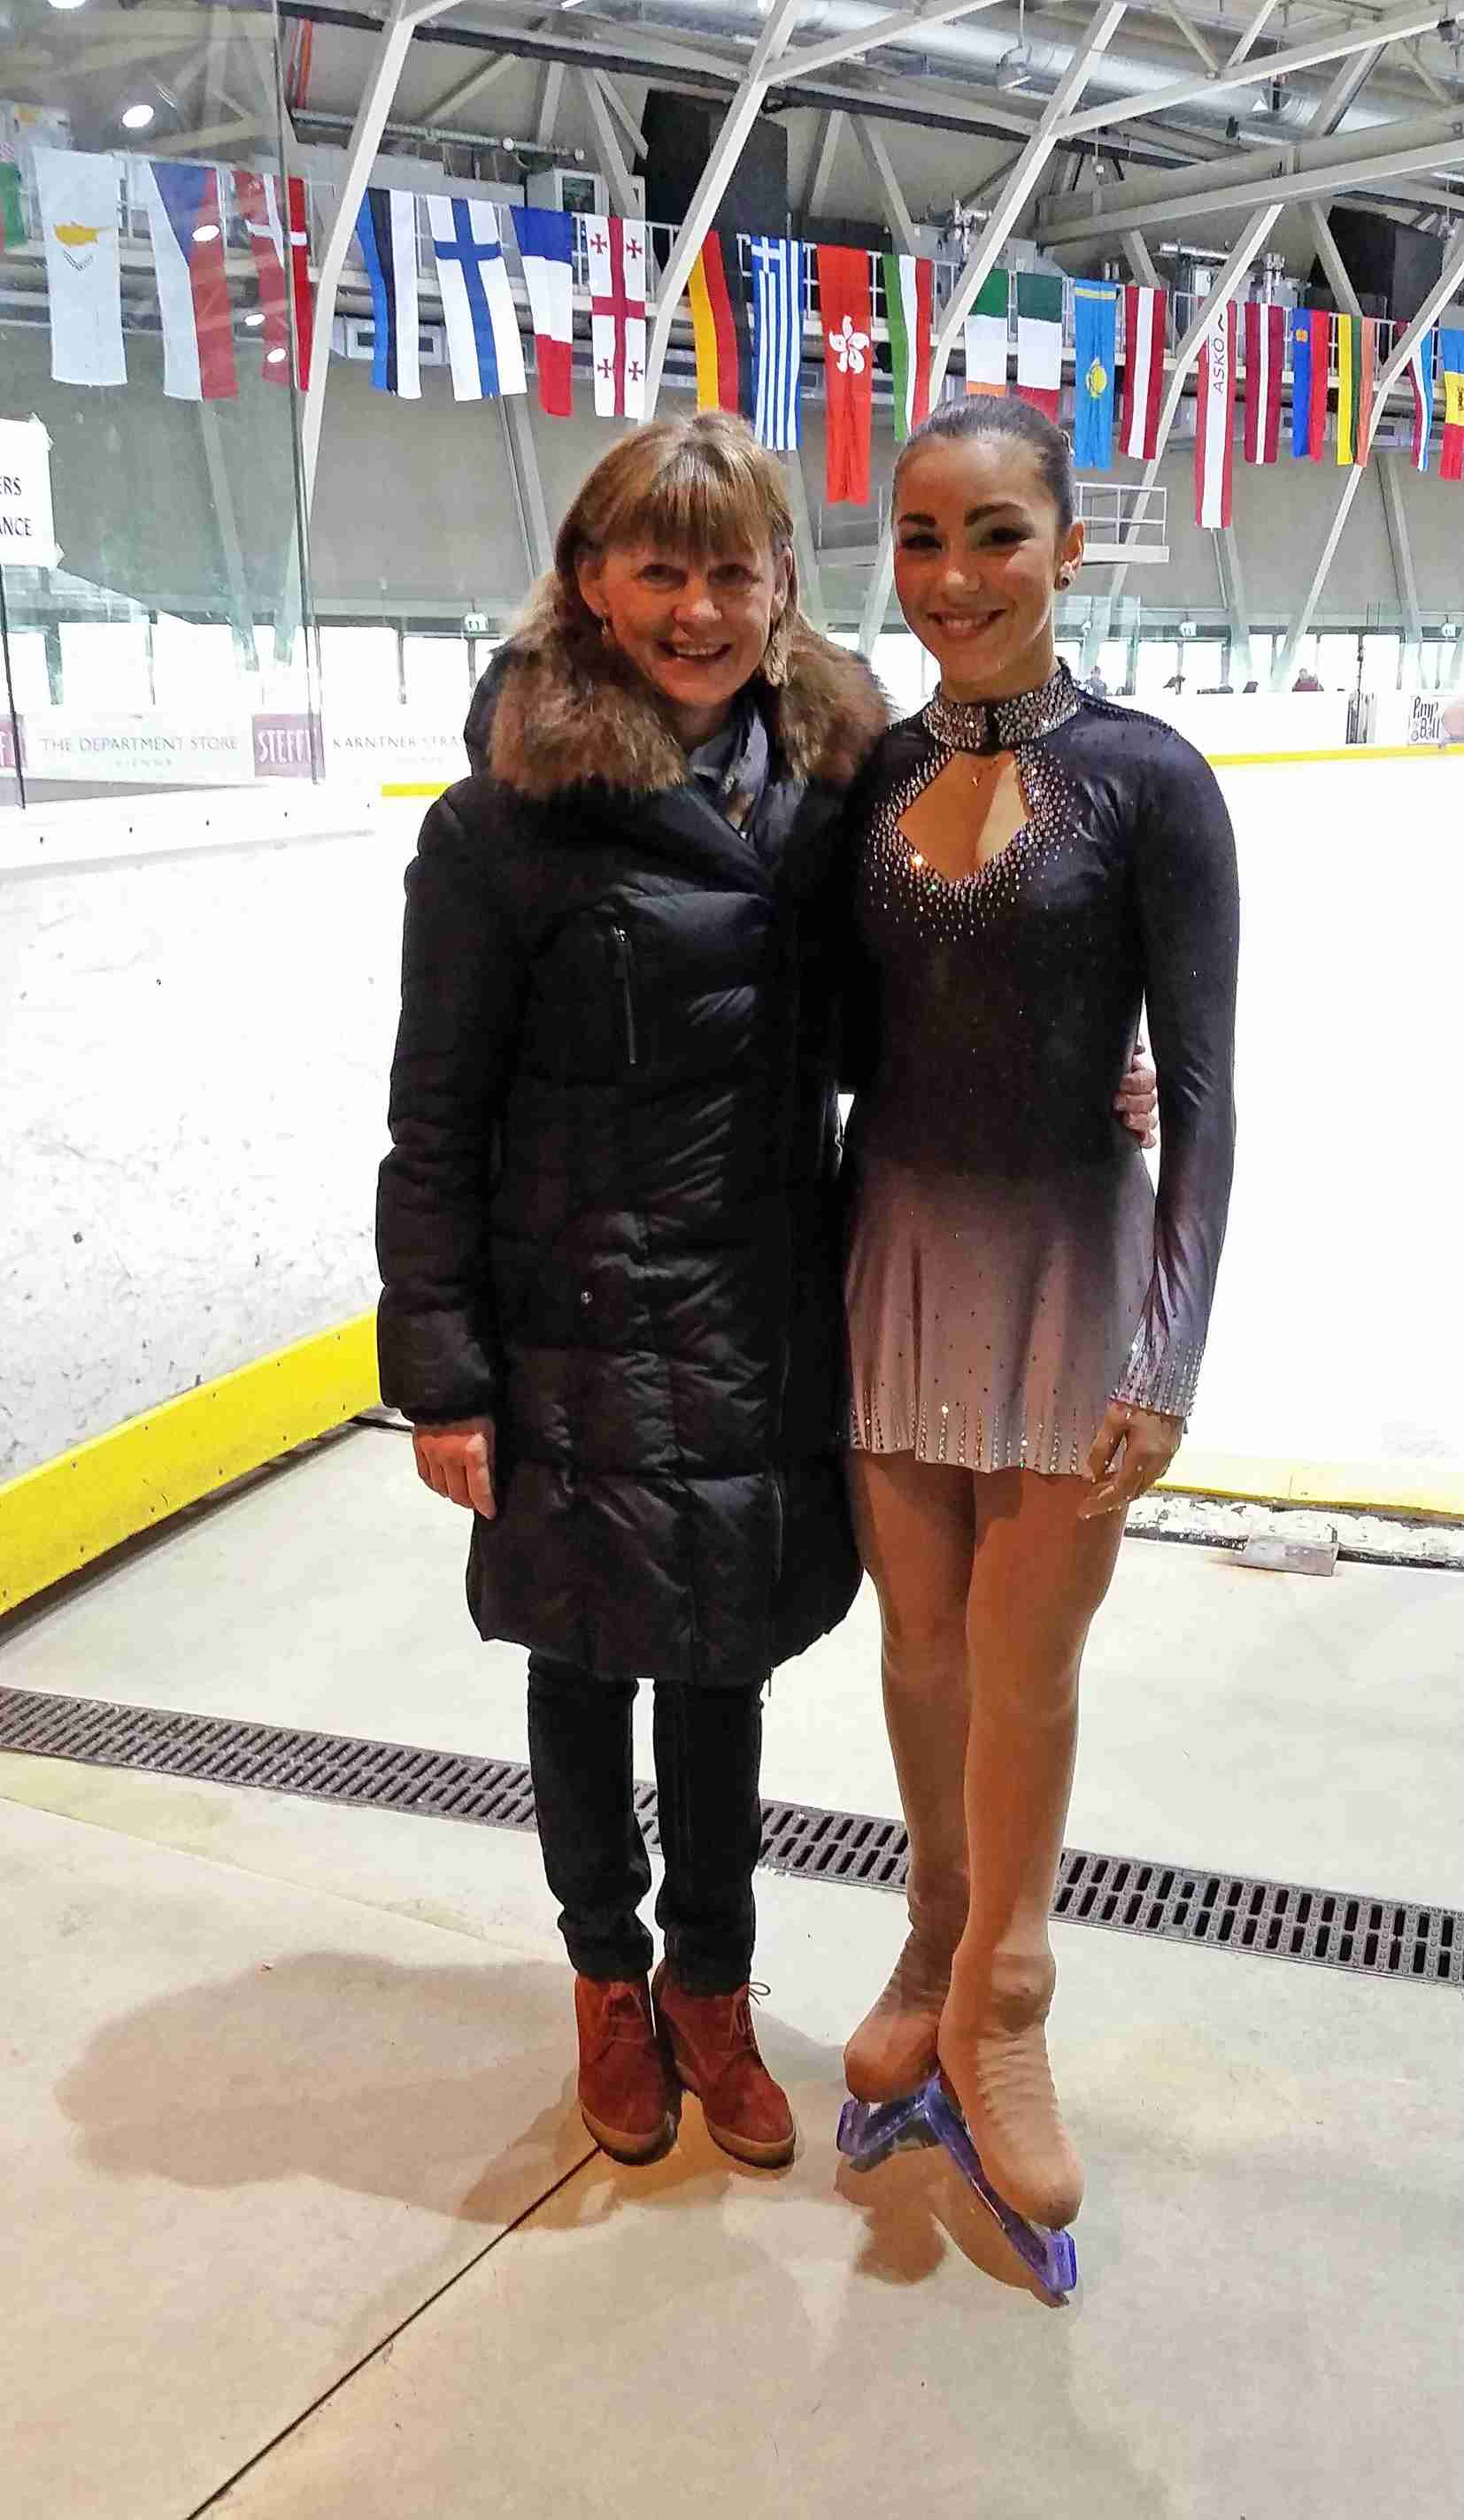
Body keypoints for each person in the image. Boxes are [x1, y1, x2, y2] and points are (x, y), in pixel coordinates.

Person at [377, 411, 1158, 2177]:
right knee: (585, 1662)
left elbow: (903, 1015)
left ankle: (712, 1991)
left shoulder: (828, 791)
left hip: (760, 1296)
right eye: (658, 569)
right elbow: (434, 1115)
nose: (697, 609)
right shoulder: (500, 825)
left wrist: (1080, 1067)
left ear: (781, 584)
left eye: (731, 571)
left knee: (723, 1667)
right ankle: (606, 1981)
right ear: (587, 582)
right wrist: (443, 1372)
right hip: (571, 1312)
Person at [838, 394, 1238, 2236]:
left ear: (1067, 549)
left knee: (1027, 1665)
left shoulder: (1149, 781)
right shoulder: (859, 779)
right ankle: (932, 1929)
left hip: (1074, 1269)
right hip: (895, 1260)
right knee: (918, 1650)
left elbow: (1205, 1093)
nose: (954, 575)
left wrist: (1167, 1356)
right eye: (921, 537)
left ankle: (1007, 1995)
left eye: (995, 533)